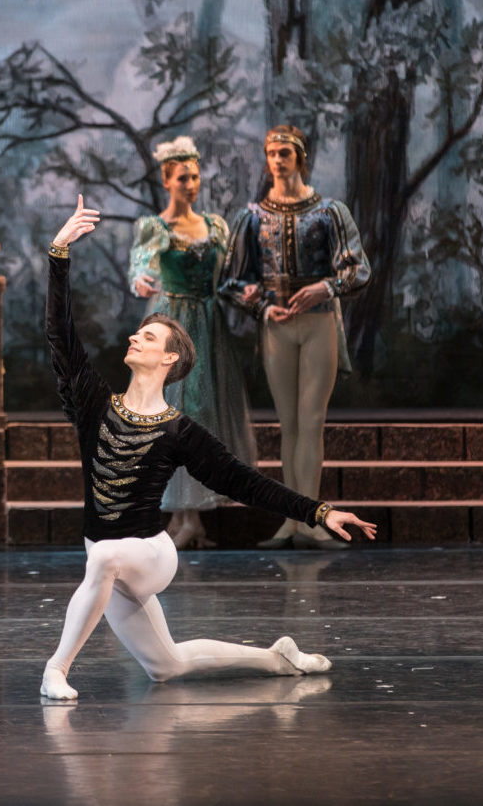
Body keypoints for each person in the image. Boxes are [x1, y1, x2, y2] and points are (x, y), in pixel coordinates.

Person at [40, 197, 376, 701]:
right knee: (166, 666)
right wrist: (59, 255)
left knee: (106, 557)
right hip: (104, 558)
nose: (134, 337)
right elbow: (60, 336)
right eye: (138, 332)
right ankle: (277, 658)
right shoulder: (94, 405)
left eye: (148, 336)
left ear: (168, 359)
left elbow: (245, 482)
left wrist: (319, 511)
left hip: (149, 555)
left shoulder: (180, 432)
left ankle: (56, 670)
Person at [221, 125, 371, 550]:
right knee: (288, 424)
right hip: (277, 326)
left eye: (284, 153)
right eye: (271, 153)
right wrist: (262, 306)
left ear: (300, 158)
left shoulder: (328, 212)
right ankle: (292, 519)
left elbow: (358, 269)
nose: (277, 160)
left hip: (319, 321)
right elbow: (230, 282)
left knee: (312, 421)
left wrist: (325, 287)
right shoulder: (252, 217)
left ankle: (313, 521)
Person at [128, 136, 256, 550]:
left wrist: (247, 292)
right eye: (183, 178)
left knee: (202, 413)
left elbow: (230, 275)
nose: (191, 184)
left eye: (196, 177)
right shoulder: (155, 227)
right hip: (173, 325)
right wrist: (140, 279)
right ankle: (183, 516)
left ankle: (191, 517)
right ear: (167, 180)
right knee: (174, 414)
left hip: (208, 328)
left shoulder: (215, 226)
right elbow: (140, 263)